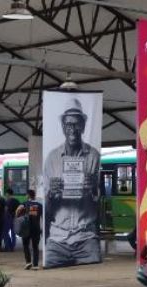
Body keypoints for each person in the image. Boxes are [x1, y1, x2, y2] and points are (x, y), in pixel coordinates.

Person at [44, 97, 101, 268]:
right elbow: (46, 209)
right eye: (68, 124)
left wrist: (93, 190)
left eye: (76, 124)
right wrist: (51, 195)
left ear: (83, 126)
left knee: (93, 286)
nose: (73, 129)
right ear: (63, 127)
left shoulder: (94, 156)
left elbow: (100, 204)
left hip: (86, 239)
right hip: (57, 239)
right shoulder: (52, 158)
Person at [16, 189, 43, 270]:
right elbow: (42, 217)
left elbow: (17, 211)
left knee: (25, 245)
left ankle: (28, 262)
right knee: (35, 246)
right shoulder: (39, 205)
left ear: (28, 195)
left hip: (26, 228)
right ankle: (35, 265)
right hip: (36, 228)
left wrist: (17, 216)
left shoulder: (24, 204)